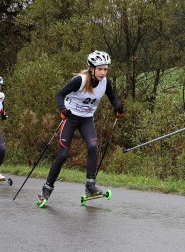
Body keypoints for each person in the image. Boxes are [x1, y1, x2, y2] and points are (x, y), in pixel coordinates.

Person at [37, 51, 125, 206]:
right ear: (92, 68)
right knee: (63, 154)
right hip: (70, 118)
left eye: (105, 69)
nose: (103, 73)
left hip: (86, 119)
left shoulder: (105, 82)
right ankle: (46, 189)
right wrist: (62, 109)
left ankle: (90, 186)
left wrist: (117, 106)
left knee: (93, 146)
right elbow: (59, 94)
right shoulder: (80, 80)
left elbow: (112, 96)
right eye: (100, 69)